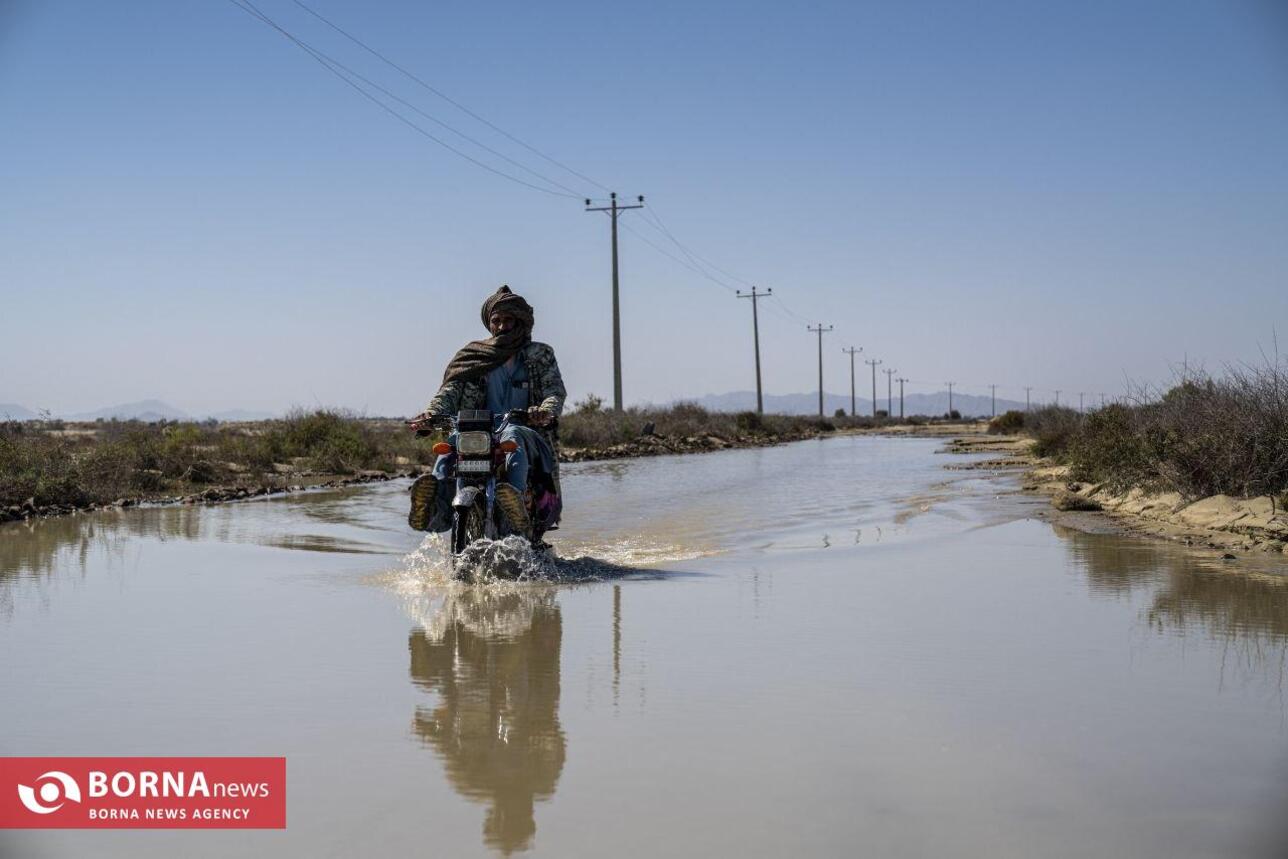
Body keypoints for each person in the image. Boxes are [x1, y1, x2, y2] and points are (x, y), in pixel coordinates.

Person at [407, 285, 566, 535]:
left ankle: (514, 503)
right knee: (452, 443)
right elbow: (449, 392)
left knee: (513, 433)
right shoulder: (473, 356)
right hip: (477, 429)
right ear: (489, 323)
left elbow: (554, 391)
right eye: (496, 320)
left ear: (521, 322)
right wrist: (431, 414)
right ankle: (432, 504)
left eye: (508, 320)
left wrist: (545, 411)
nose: (502, 326)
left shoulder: (540, 355)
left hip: (524, 429)